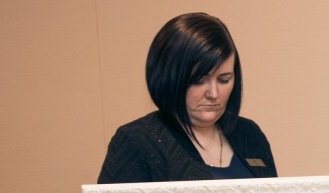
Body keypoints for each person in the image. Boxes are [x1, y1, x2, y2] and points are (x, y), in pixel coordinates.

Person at [98, 13, 277, 183]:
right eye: (199, 81)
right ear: (170, 78)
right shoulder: (137, 140)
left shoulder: (249, 134)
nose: (214, 93)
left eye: (224, 80)